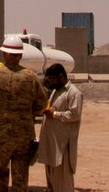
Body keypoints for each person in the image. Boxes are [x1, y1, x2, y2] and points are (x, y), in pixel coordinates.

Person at [0, 34, 48, 192]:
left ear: (4, 54)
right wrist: (28, 114)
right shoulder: (31, 77)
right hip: (23, 136)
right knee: (20, 177)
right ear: (20, 55)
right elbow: (42, 104)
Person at [37, 63, 83, 191]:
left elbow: (75, 115)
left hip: (63, 147)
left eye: (52, 79)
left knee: (63, 184)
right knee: (52, 184)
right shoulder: (56, 92)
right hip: (52, 145)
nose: (51, 82)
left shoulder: (73, 93)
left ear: (61, 76)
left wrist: (55, 114)